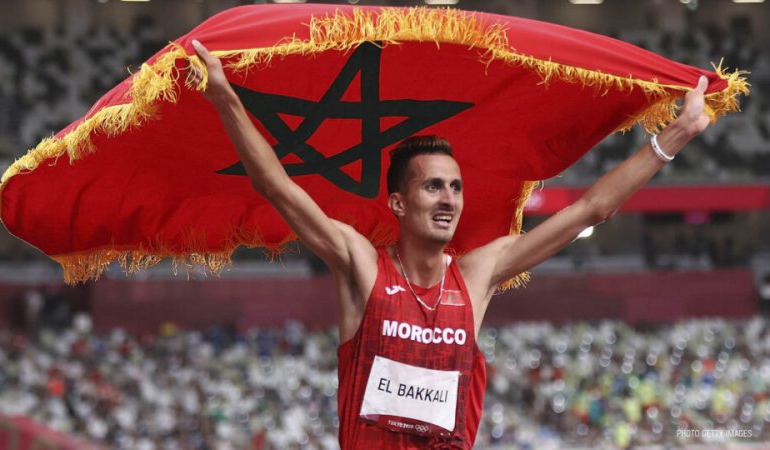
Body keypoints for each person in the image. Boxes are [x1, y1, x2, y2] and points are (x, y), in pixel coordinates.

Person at [190, 39, 711, 449]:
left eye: (457, 187)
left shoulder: (477, 276)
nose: (449, 199)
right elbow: (277, 187)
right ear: (398, 203)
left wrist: (679, 132)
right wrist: (227, 100)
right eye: (434, 186)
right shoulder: (362, 266)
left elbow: (589, 210)